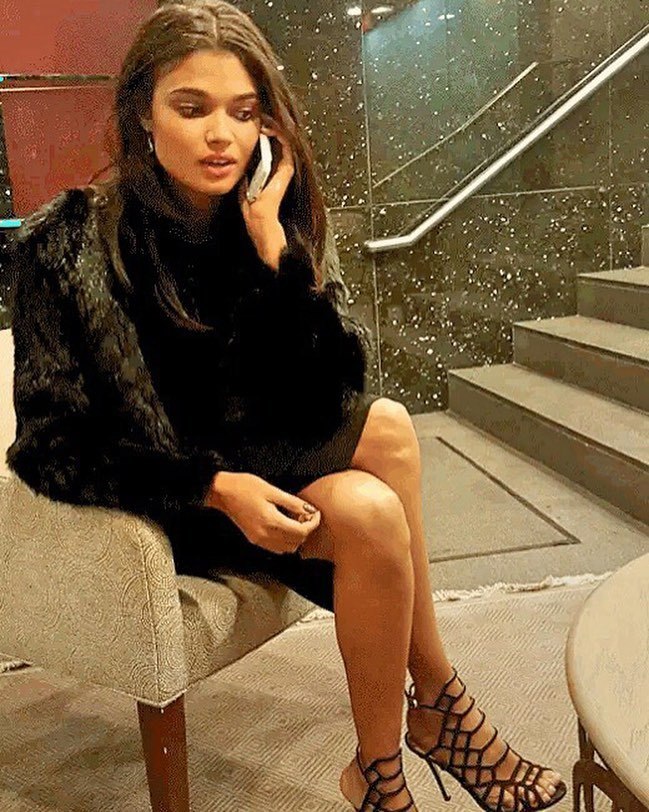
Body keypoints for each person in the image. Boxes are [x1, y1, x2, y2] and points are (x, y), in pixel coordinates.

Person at [5, 3, 567, 810]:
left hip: (265, 476)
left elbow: (326, 396)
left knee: (373, 490)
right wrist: (210, 487)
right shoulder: (68, 243)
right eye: (191, 108)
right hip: (169, 507)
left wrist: (276, 254)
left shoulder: (260, 221)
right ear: (142, 113)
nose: (220, 136)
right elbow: (48, 446)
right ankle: (440, 704)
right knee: (386, 436)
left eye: (242, 113)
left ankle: (378, 771)